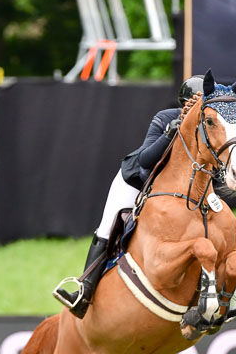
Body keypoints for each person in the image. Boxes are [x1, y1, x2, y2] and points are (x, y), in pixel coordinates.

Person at [54, 75, 205, 318]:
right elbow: (146, 160)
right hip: (137, 181)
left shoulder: (208, 128)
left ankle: (219, 295)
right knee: (108, 227)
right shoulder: (166, 117)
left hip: (177, 192)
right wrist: (171, 133)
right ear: (186, 103)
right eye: (198, 104)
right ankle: (84, 291)